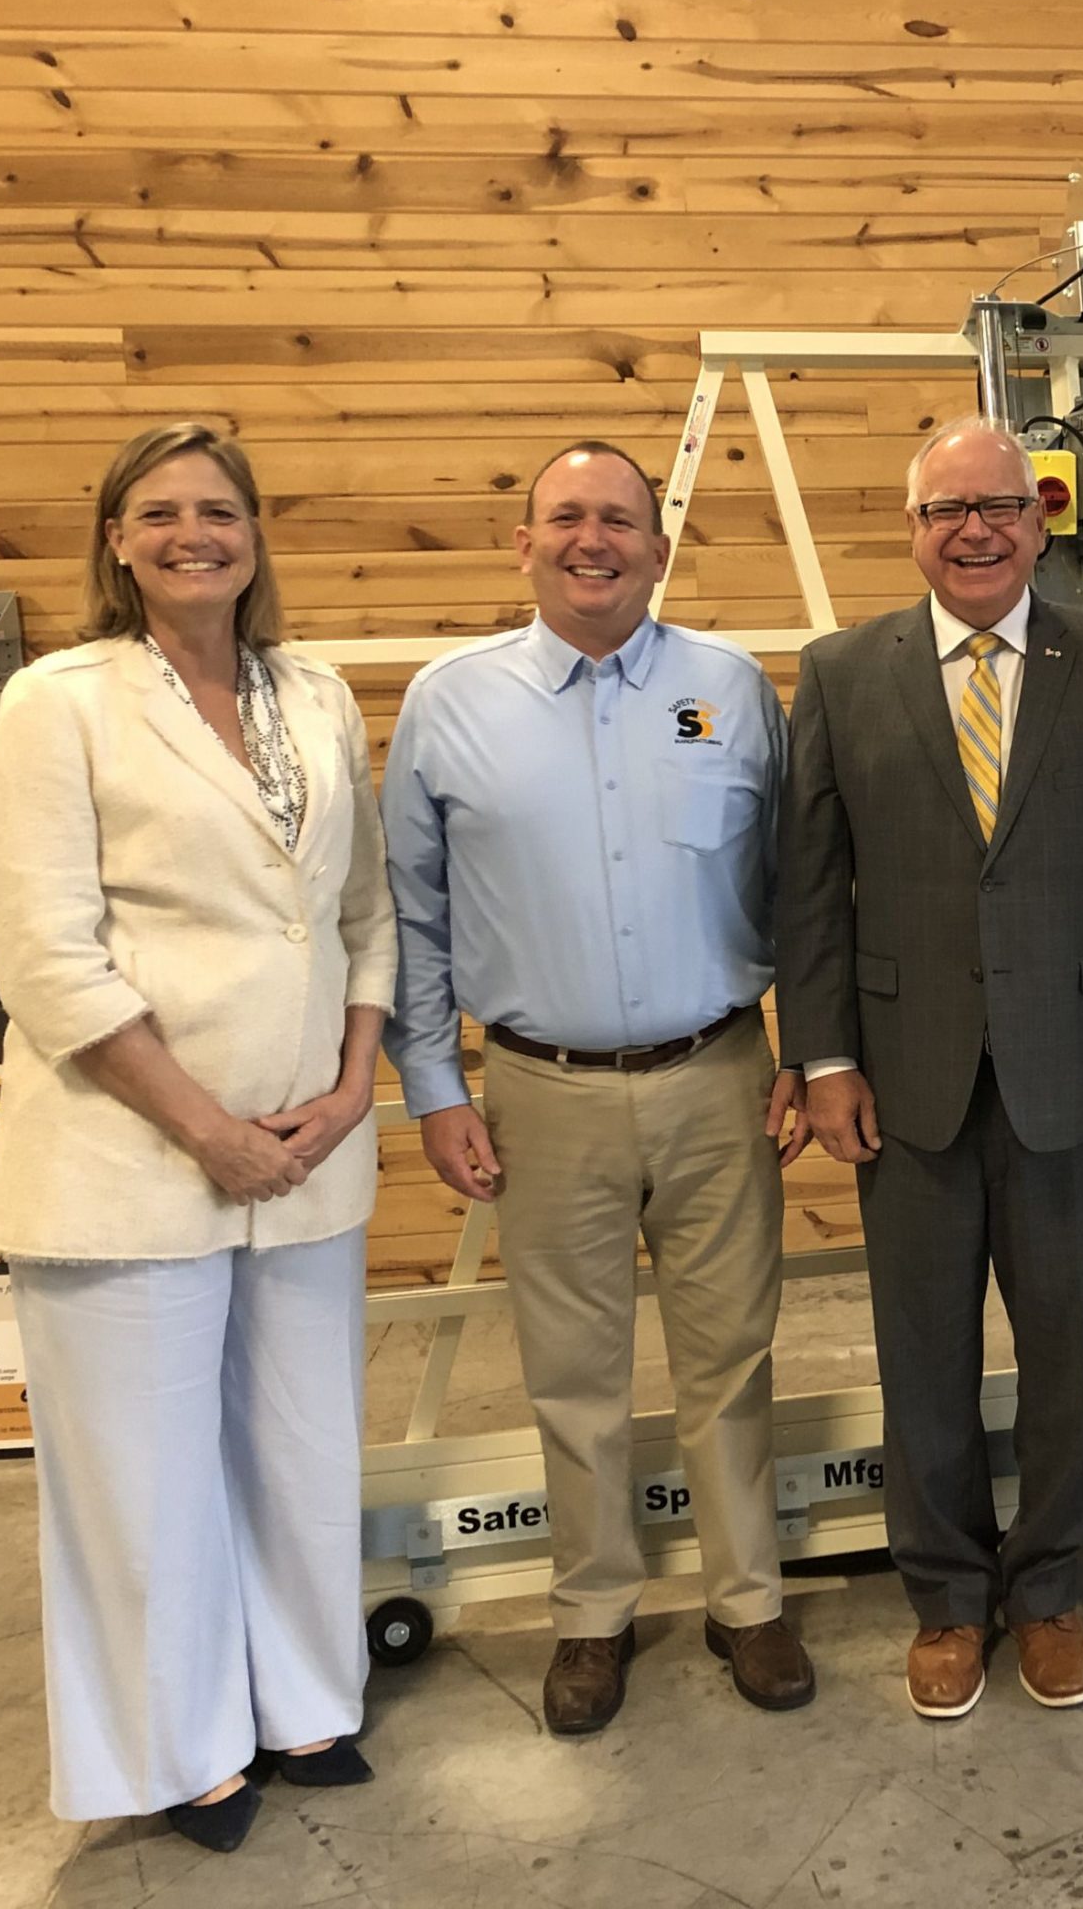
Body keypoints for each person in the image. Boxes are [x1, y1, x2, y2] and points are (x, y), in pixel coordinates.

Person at [0, 422, 397, 1852]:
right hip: (131, 1156)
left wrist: (350, 1089)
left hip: (308, 1144)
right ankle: (183, 1745)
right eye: (158, 514)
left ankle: (301, 1700)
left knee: (295, 1441)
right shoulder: (59, 702)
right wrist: (210, 1130)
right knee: (142, 1473)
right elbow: (47, 959)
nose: (192, 533)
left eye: (219, 510)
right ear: (114, 539)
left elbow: (362, 916)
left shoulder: (315, 695)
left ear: (256, 533)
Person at [382, 441, 811, 1736]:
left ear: (658, 549)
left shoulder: (731, 689)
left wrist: (810, 1048)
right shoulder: (447, 703)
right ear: (523, 545)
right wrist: (434, 1086)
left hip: (719, 1076)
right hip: (540, 1088)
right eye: (565, 516)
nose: (592, 539)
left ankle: (750, 1601)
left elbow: (797, 886)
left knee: (729, 1356)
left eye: (619, 519)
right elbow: (412, 914)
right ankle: (592, 1615)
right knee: (572, 1369)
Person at [777, 417, 1083, 1718]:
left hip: (1078, 1073)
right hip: (903, 1084)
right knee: (923, 1353)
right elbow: (811, 889)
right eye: (947, 507)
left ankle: (1051, 1588)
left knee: (1073, 1347)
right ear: (912, 529)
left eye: (1001, 506)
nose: (975, 528)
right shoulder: (842, 672)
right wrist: (826, 1055)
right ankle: (948, 1597)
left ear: (1041, 521)